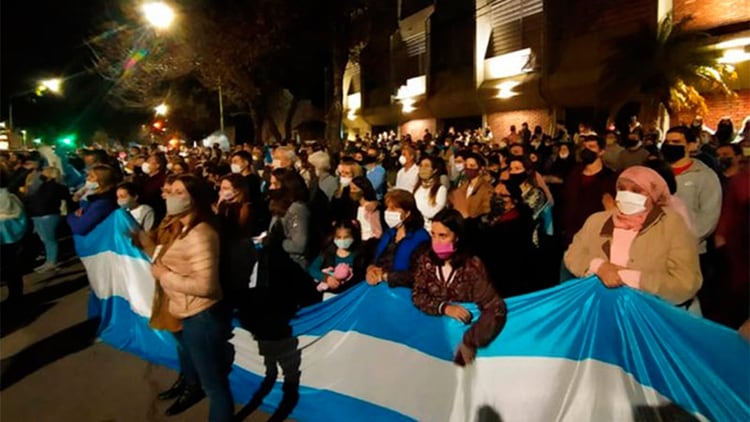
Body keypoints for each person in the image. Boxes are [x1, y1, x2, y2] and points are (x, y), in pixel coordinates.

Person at [150, 174, 234, 420]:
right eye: (169, 191)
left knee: (214, 387)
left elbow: (206, 286)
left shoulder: (200, 234)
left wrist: (164, 275)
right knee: (203, 373)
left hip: (201, 315)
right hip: (183, 309)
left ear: (195, 198)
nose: (169, 197)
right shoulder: (180, 226)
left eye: (179, 192)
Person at [564, 166, 702, 307]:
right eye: (622, 189)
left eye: (636, 191)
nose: (627, 195)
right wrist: (599, 267)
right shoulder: (597, 221)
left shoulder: (672, 225)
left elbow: (686, 282)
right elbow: (573, 254)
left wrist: (629, 278)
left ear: (653, 194)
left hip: (649, 313)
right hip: (601, 308)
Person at [412, 209, 507, 366]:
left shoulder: (472, 267)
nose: (436, 242)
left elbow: (495, 307)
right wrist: (444, 308)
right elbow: (418, 294)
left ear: (457, 237)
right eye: (433, 235)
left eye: (443, 236)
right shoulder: (426, 261)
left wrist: (470, 341)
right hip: (431, 343)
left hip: (462, 348)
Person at [366, 189, 430, 288]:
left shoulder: (420, 239)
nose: (388, 212)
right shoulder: (388, 234)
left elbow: (419, 274)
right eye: (387, 208)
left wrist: (386, 276)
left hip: (401, 290)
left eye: (394, 209)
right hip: (378, 286)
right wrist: (371, 269)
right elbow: (375, 259)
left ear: (407, 213)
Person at [308, 219, 368, 298]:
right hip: (330, 296)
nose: (342, 240)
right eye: (339, 237)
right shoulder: (328, 253)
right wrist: (326, 278)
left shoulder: (359, 256)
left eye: (346, 237)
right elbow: (312, 269)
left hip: (351, 296)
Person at [27, 166, 71, 272]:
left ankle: (51, 261)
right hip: (46, 215)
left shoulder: (42, 186)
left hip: (45, 215)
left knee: (49, 240)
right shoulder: (59, 186)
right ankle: (50, 260)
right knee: (47, 240)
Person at [67, 164, 119, 236]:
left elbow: (79, 228)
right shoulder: (96, 198)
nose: (87, 179)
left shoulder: (101, 203)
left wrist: (72, 216)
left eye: (91, 177)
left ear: (101, 180)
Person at [449, 153, 492, 220]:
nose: (468, 168)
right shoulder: (463, 186)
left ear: (481, 168)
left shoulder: (486, 188)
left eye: (472, 166)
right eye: (466, 165)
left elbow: (486, 210)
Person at [413, 156, 448, 230]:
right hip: (416, 227)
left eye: (427, 166)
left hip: (429, 229)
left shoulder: (441, 189)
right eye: (421, 165)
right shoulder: (416, 188)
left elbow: (433, 212)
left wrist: (416, 212)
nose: (423, 168)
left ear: (434, 170)